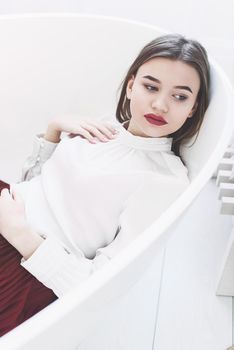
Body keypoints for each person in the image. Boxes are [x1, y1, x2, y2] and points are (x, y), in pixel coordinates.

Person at [0, 33, 210, 336]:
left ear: (193, 108)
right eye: (150, 86)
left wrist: (22, 235)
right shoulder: (102, 127)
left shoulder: (165, 181)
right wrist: (54, 130)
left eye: (180, 96)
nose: (160, 104)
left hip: (25, 262)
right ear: (130, 86)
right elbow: (36, 186)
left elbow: (98, 284)